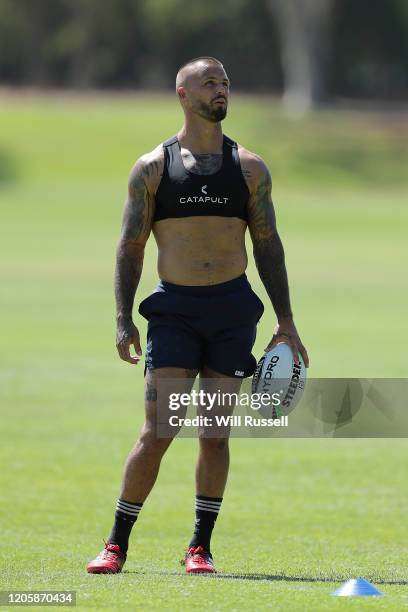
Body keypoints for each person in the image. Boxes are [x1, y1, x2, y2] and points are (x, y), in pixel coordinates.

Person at [86, 56, 309, 575]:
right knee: (159, 429)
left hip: (233, 311)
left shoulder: (249, 169)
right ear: (183, 94)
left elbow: (268, 247)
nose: (220, 90)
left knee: (214, 431)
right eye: (209, 83)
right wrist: (123, 319)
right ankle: (116, 543)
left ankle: (199, 548)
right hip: (175, 312)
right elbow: (130, 246)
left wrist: (286, 321)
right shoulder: (153, 168)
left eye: (225, 82)